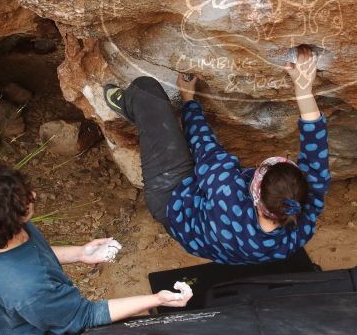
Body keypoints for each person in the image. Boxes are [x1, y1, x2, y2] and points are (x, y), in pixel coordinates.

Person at [0, 167, 192, 335]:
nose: (33, 196)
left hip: (9, 333)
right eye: (24, 199)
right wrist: (156, 299)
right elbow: (87, 315)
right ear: (9, 221)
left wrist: (81, 253)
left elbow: (30, 258)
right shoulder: (29, 291)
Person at [103, 46, 330, 264]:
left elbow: (205, 147)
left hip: (175, 203)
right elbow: (316, 153)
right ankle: (157, 134)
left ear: (254, 192)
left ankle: (135, 108)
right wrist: (304, 90)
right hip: (212, 231)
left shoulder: (228, 196)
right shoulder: (301, 220)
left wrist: (188, 100)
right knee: (196, 161)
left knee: (146, 90)